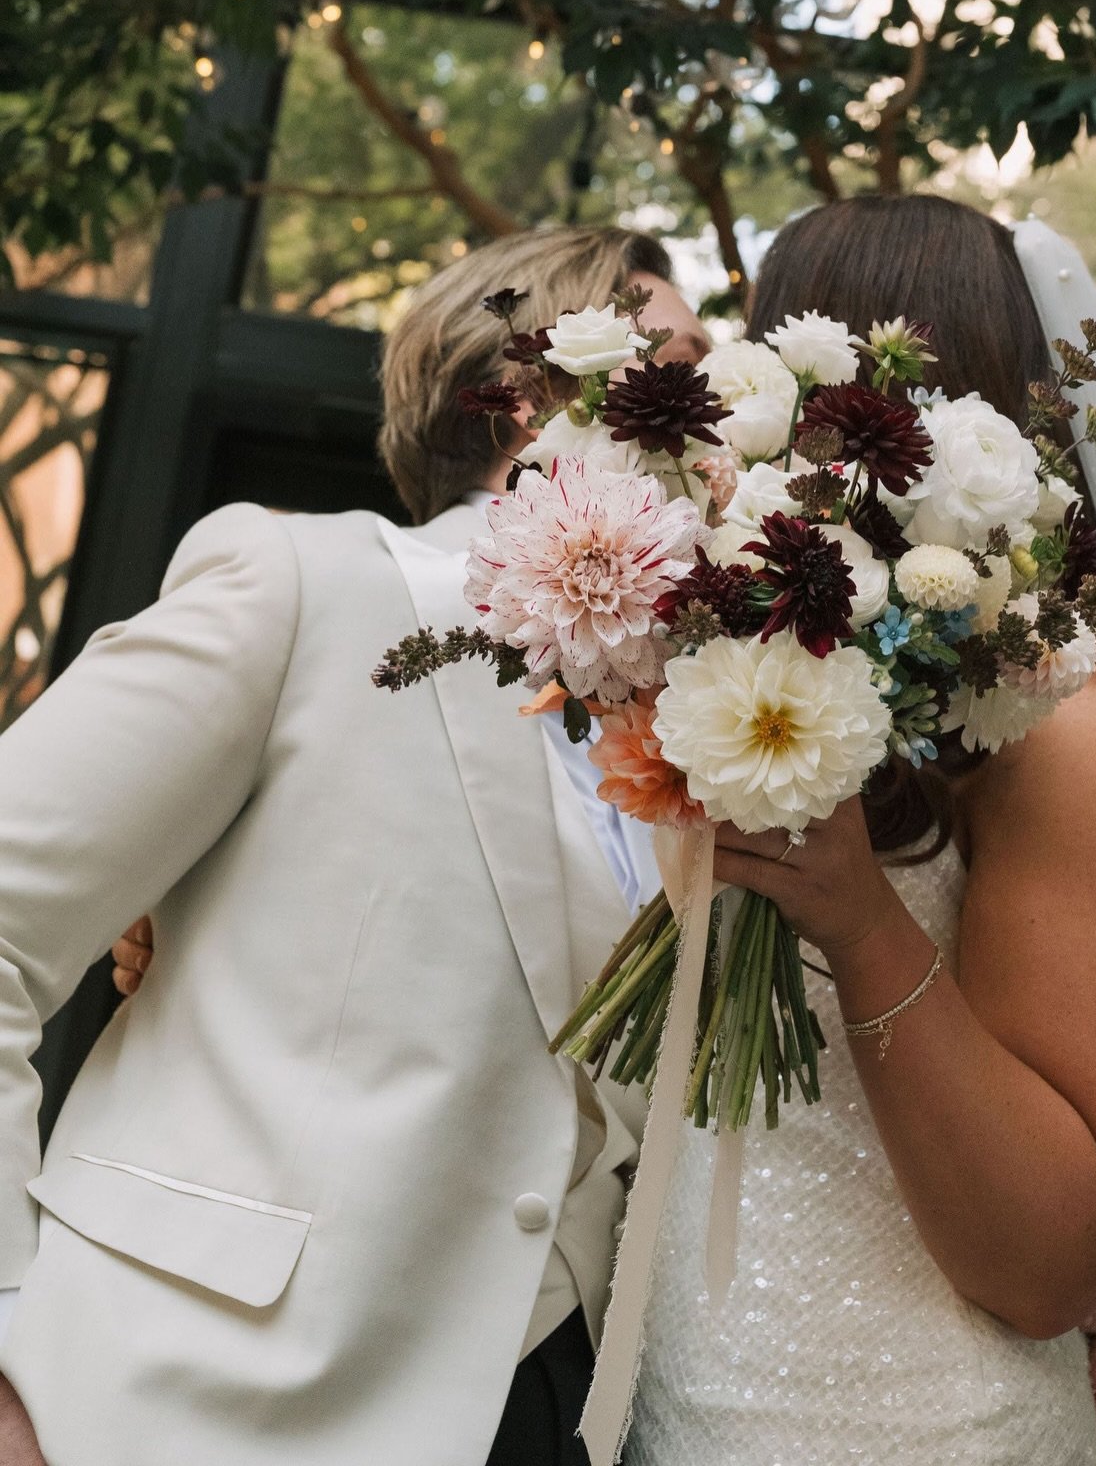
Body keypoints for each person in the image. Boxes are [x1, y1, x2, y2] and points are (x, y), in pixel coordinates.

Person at [0, 224, 707, 1466]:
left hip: (534, 1420)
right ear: (529, 399)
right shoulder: (299, 585)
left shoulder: (707, 728)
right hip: (184, 1401)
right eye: (682, 374)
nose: (723, 420)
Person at [619, 196, 1096, 1466]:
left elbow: (1049, 1256)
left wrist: (857, 917)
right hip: (687, 1409)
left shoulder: (1084, 726)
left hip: (916, 1427)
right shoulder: (717, 661)